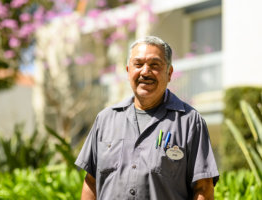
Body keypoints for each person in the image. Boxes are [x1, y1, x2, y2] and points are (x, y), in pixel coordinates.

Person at [75, 36, 219, 200]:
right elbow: (91, 183)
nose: (145, 71)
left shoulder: (190, 122)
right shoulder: (105, 120)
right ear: (128, 71)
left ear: (169, 73)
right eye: (138, 64)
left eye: (154, 65)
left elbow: (203, 188)